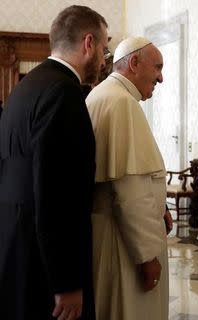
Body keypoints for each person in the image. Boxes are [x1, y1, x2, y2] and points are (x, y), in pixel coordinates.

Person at [0, 5, 109, 320]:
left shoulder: (26, 86)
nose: (103, 60)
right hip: (45, 267)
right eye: (104, 48)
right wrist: (67, 281)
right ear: (88, 43)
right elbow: (58, 194)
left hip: (16, 246)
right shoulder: (63, 93)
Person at [85, 36, 173, 320]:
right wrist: (147, 256)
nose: (161, 77)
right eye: (157, 67)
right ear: (134, 63)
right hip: (122, 242)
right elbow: (129, 189)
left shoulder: (103, 94)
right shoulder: (121, 102)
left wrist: (162, 208)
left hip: (113, 231)